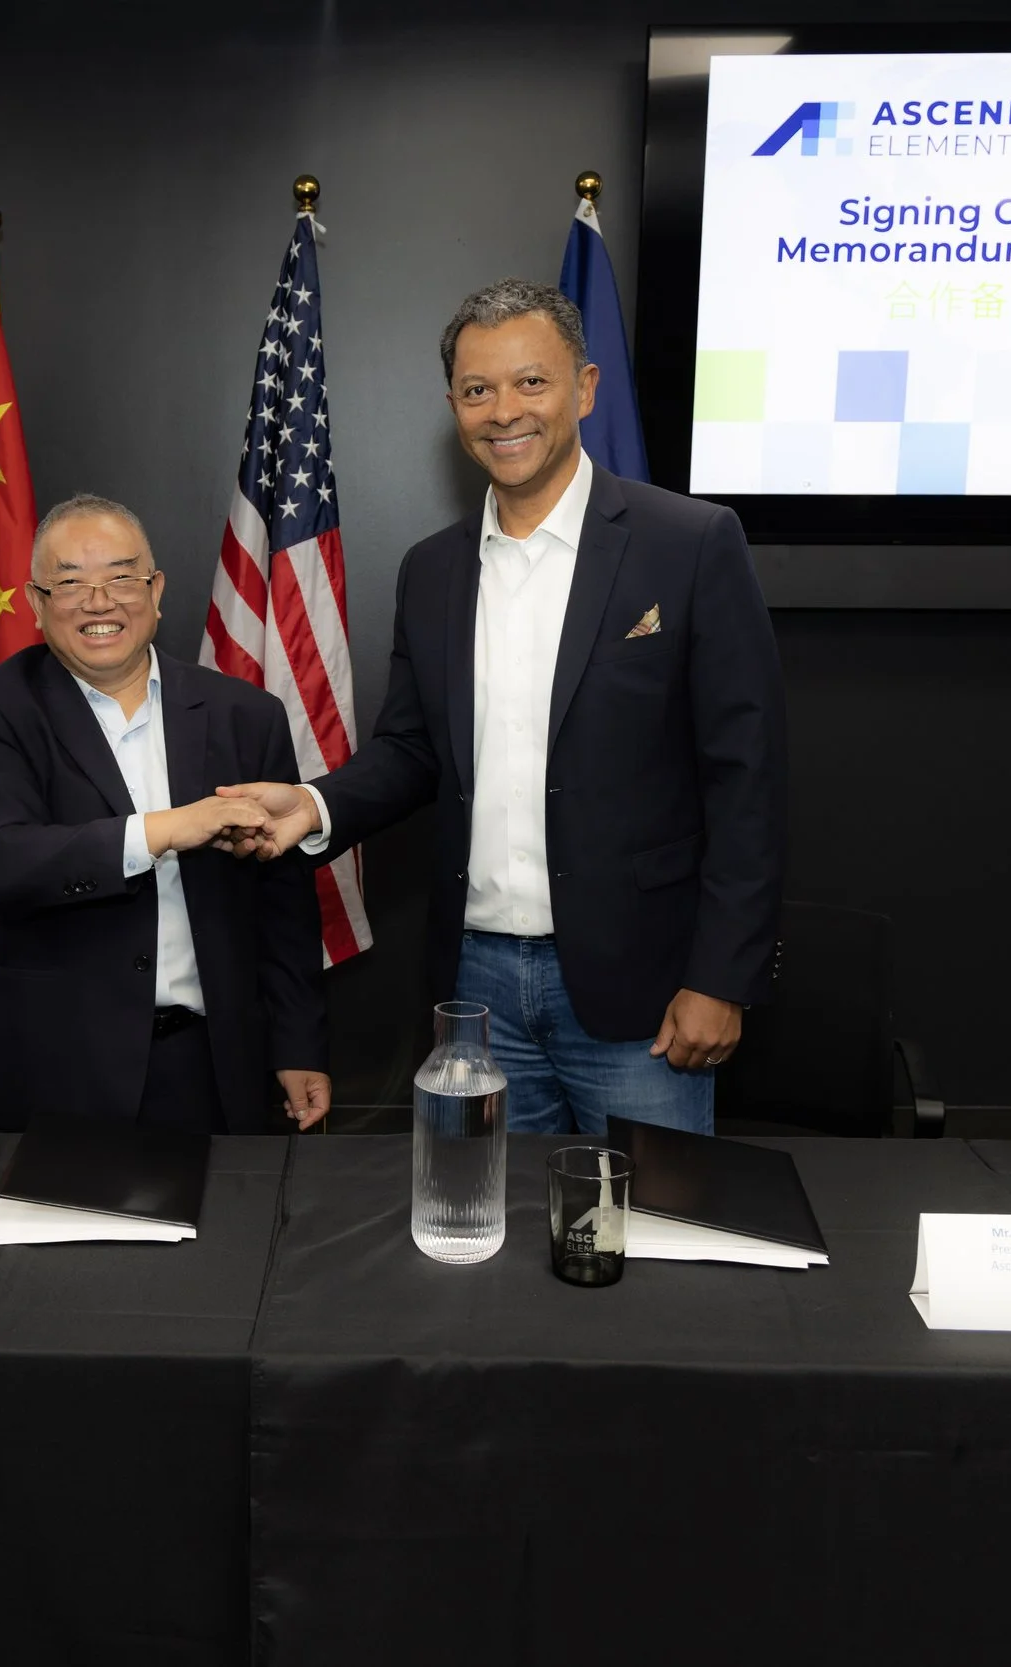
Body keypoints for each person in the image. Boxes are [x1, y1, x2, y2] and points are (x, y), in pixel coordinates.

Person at [218, 279, 784, 1136]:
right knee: (479, 1243)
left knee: (654, 1248)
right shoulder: (433, 569)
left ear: (585, 389)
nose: (503, 411)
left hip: (645, 993)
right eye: (478, 390)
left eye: (532, 382)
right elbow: (411, 748)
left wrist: (722, 976)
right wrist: (315, 802)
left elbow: (749, 778)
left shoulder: (692, 545)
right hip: (474, 990)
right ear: (453, 405)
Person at [0, 493, 332, 1134]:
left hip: (214, 1064)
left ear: (155, 591)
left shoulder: (245, 714)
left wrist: (297, 1045)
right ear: (37, 603)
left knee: (232, 1233)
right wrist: (166, 829)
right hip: (62, 1069)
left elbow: (283, 903)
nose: (100, 603)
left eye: (122, 578)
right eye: (70, 583)